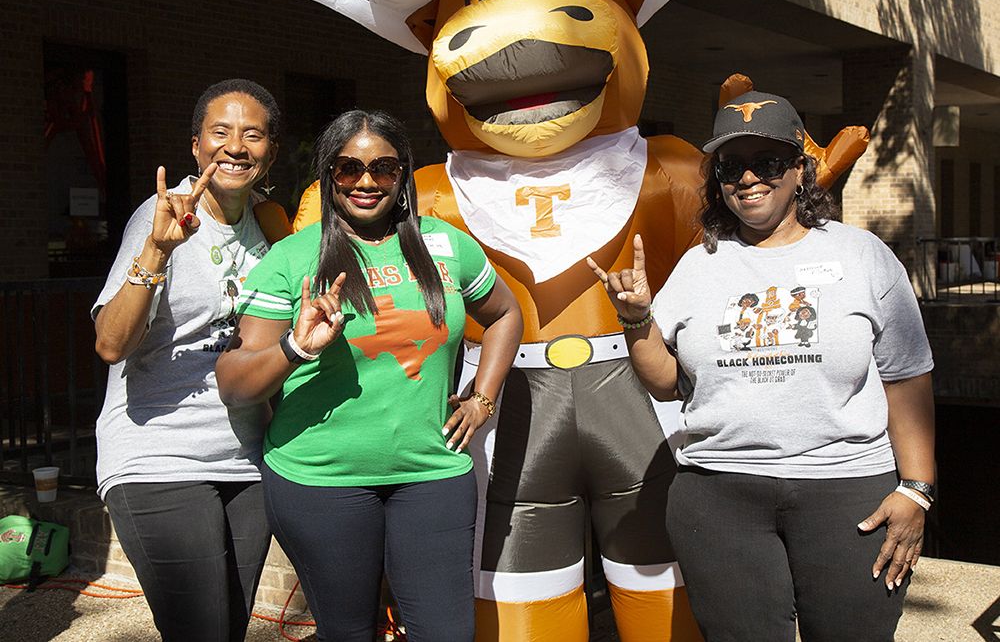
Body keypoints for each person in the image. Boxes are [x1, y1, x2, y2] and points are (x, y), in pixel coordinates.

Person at [588, 90, 935, 642]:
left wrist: (917, 489)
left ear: (801, 169)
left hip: (846, 492)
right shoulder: (698, 265)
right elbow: (667, 382)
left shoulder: (862, 255)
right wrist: (636, 321)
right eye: (730, 166)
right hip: (720, 497)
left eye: (768, 162)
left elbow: (908, 376)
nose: (747, 178)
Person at [215, 109, 523, 642]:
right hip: (320, 482)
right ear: (326, 174)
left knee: (446, 632)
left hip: (433, 473)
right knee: (350, 632)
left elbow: (504, 314)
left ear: (403, 174)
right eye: (347, 168)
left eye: (382, 168)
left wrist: (482, 399)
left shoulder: (445, 244)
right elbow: (234, 383)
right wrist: (295, 346)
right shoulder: (290, 260)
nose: (365, 182)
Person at [93, 78, 281, 642]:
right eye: (220, 132)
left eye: (253, 134)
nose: (236, 146)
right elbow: (110, 344)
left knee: (227, 628)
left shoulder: (270, 226)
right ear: (196, 146)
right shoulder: (160, 215)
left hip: (248, 460)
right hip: (159, 455)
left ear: (270, 151)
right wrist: (157, 250)